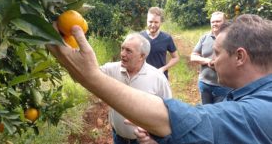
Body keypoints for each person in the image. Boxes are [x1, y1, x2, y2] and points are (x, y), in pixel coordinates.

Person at [47, 14, 272, 144]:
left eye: (217, 53)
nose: (211, 61)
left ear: (240, 57)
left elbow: (189, 120)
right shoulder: (247, 98)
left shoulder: (260, 111)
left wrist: (90, 77)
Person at [100, 33, 172, 144]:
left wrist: (155, 139)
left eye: (128, 51)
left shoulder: (157, 78)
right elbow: (87, 74)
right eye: (122, 48)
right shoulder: (111, 69)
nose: (122, 54)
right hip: (118, 138)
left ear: (142, 56)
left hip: (144, 141)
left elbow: (169, 112)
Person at [190, 11, 231, 104]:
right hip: (205, 84)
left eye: (218, 21)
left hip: (224, 86)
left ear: (225, 22)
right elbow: (193, 56)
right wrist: (208, 61)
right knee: (206, 112)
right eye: (213, 22)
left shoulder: (231, 39)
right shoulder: (204, 37)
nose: (215, 24)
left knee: (219, 114)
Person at [140, 7, 179, 79]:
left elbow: (176, 57)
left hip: (161, 77)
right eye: (150, 22)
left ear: (160, 22)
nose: (153, 25)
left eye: (156, 22)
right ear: (146, 21)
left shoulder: (167, 38)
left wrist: (163, 68)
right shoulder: (139, 37)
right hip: (142, 77)